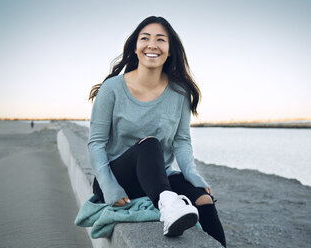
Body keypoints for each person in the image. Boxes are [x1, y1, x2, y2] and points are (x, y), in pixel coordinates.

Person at [88, 16, 226, 247]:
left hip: (158, 177)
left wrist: (191, 174)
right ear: (135, 47)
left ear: (170, 50)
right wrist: (109, 187)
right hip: (119, 177)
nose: (152, 44)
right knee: (150, 144)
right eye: (145, 38)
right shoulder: (112, 88)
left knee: (204, 199)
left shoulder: (180, 92)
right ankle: (168, 205)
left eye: (160, 39)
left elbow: (182, 140)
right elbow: (96, 143)